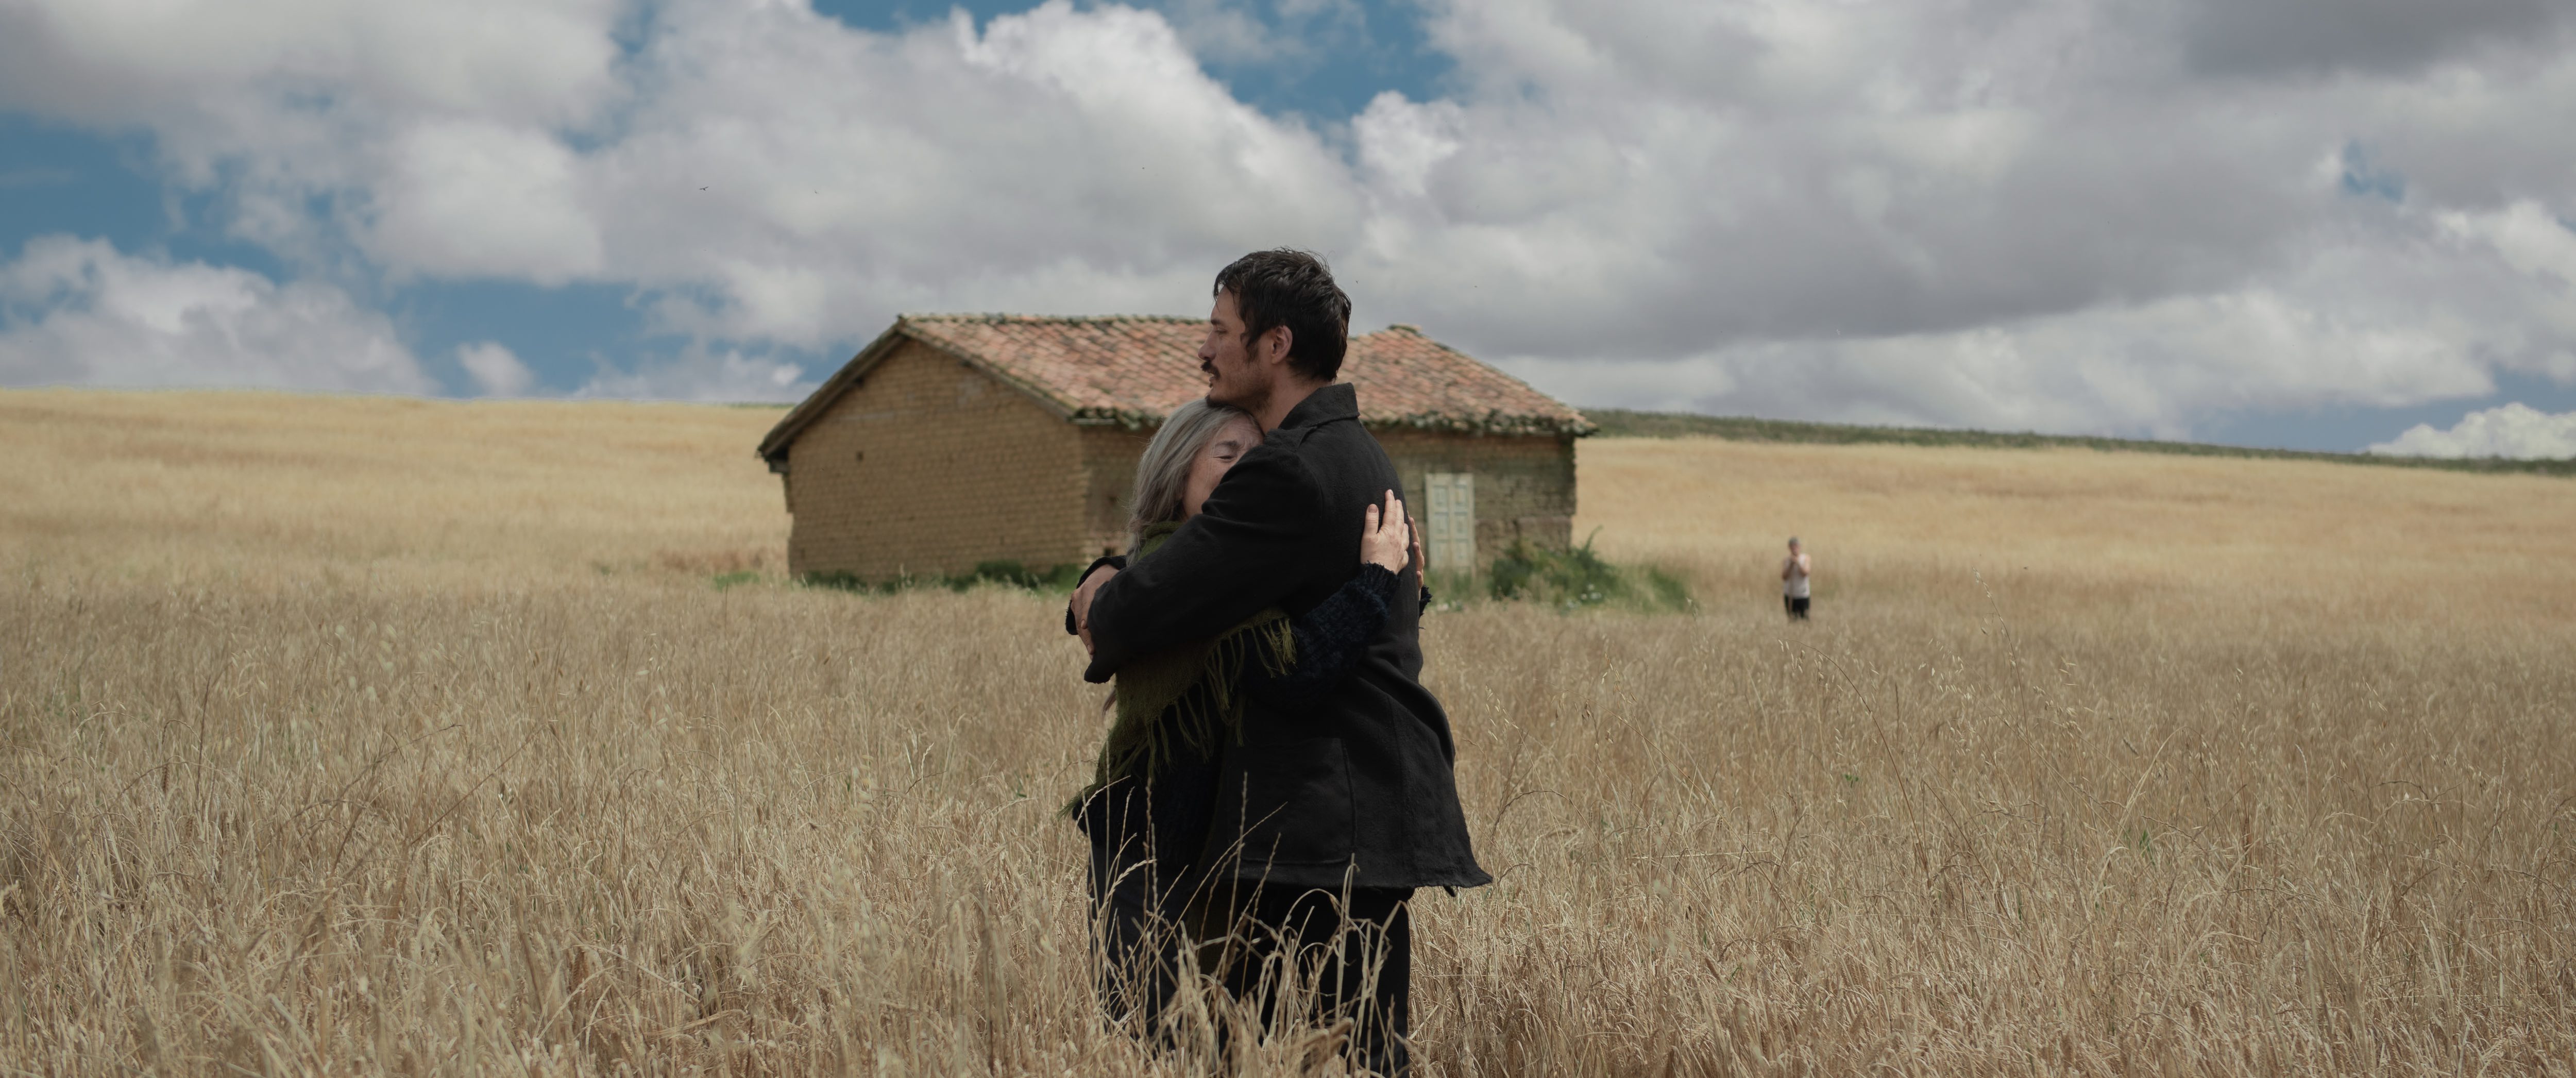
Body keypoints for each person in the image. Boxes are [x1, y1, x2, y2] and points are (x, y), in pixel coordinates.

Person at [1071, 249, 1489, 1074]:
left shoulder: (1290, 469)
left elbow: (1149, 610)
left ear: (1274, 344)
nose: (1204, 350)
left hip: (1320, 825)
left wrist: (1097, 593)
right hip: (1346, 820)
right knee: (1343, 1055)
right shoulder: (1354, 452)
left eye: (1222, 332)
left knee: (1326, 1055)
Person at [1062, 398, 1417, 1049]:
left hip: (1192, 849)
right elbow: (1298, 668)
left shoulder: (1195, 572)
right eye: (1227, 457)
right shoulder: (1189, 582)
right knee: (1167, 1043)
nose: (1248, 475)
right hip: (1152, 850)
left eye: (1259, 462)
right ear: (1175, 474)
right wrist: (1375, 581)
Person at [1782, 536, 1812, 620]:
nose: (1794, 548)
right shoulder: (1787, 560)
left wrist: (1798, 563)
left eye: (1796, 546)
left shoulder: (1806, 558)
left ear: (1799, 547)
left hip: (1802, 594)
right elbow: (1784, 577)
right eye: (1792, 546)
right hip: (1790, 594)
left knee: (1804, 618)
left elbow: (1805, 573)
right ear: (1789, 548)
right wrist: (1791, 565)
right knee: (1792, 618)